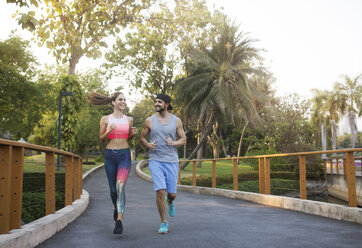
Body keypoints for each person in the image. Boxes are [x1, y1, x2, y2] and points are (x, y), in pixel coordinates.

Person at [87, 91, 136, 234]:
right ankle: (116, 208)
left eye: (125, 100)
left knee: (120, 186)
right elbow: (101, 140)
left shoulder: (129, 120)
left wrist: (133, 134)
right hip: (110, 156)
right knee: (113, 190)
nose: (123, 102)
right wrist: (109, 131)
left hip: (124, 155)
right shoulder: (105, 119)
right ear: (113, 102)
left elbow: (129, 138)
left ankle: (119, 220)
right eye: (121, 99)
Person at [140, 93, 186, 234]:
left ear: (166, 104)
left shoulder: (176, 121)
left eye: (159, 102)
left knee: (172, 194)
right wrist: (148, 145)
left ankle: (170, 201)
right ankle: (163, 222)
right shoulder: (149, 121)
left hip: (171, 161)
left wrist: (174, 142)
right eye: (156, 102)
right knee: (160, 190)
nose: (156, 104)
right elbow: (142, 137)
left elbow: (183, 139)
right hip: (155, 160)